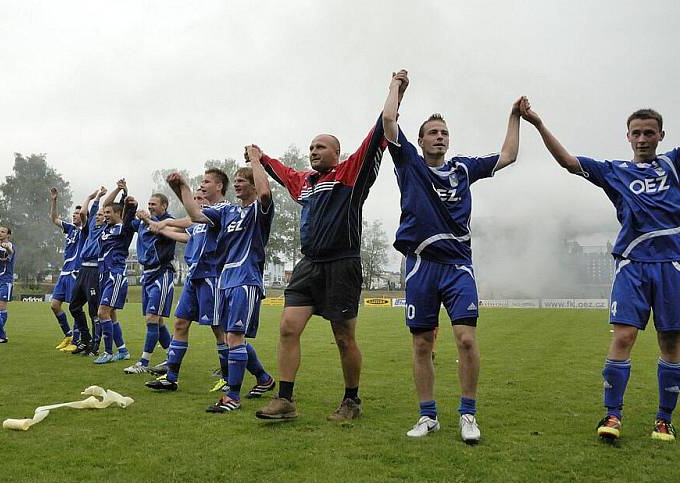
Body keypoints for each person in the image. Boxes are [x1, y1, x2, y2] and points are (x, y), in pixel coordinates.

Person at [520, 99, 680, 443]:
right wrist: (536, 122)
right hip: (632, 266)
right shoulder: (615, 171)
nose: (642, 138)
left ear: (661, 135)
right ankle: (612, 414)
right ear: (627, 136)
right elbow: (569, 162)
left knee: (670, 342)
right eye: (636, 133)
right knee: (623, 337)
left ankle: (664, 420)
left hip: (671, 266)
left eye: (649, 133)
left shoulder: (674, 164)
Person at [381, 69, 522, 444]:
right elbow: (389, 121)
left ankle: (468, 414)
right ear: (421, 140)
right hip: (421, 267)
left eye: (444, 132)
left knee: (466, 340)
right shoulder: (408, 164)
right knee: (422, 344)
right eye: (433, 132)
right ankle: (428, 416)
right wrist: (397, 84)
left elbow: (508, 155)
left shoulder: (463, 168)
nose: (440, 137)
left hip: (458, 266)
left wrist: (515, 116)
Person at [254, 102, 389, 422]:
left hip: (342, 264)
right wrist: (259, 156)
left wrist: (395, 89)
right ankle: (285, 400)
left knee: (343, 338)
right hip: (308, 265)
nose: (313, 151)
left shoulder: (351, 173)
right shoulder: (303, 182)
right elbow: (281, 171)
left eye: (321, 146)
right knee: (288, 328)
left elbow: (379, 130)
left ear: (337, 153)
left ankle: (351, 401)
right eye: (311, 147)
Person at [161, 154, 274, 413]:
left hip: (245, 279)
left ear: (254, 184)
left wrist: (256, 161)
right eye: (234, 180)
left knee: (233, 335)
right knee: (233, 337)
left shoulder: (260, 209)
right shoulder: (228, 211)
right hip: (225, 280)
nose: (237, 184)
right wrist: (185, 187)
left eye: (242, 180)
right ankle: (264, 379)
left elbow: (266, 192)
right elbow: (196, 214)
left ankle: (232, 397)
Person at [125, 171, 230, 390]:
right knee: (180, 323)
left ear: (219, 186)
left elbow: (186, 219)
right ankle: (171, 378)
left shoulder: (222, 210)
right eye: (198, 190)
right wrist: (161, 223)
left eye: (204, 186)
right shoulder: (199, 220)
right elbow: (182, 228)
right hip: (194, 276)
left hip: (211, 276)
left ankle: (229, 378)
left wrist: (164, 222)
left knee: (217, 328)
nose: (199, 193)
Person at [94, 179, 138, 364]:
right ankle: (123, 350)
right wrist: (117, 189)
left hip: (115, 274)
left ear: (119, 214)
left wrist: (125, 191)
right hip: (103, 274)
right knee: (110, 314)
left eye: (109, 213)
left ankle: (108, 352)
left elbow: (128, 208)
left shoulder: (124, 228)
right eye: (104, 214)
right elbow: (106, 204)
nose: (105, 216)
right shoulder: (106, 227)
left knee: (102, 312)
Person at [132, 193, 175, 369]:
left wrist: (148, 219)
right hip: (147, 274)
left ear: (164, 206)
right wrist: (130, 206)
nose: (150, 207)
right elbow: (128, 223)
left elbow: (162, 230)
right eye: (148, 203)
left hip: (162, 273)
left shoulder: (169, 220)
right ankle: (173, 357)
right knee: (157, 320)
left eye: (154, 204)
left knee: (152, 318)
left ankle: (143, 362)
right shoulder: (144, 222)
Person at [68, 186, 107, 356]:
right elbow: (85, 212)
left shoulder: (107, 230)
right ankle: (86, 339)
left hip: (94, 271)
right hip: (83, 270)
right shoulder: (91, 228)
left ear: (106, 219)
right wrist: (96, 196)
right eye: (97, 214)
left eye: (101, 215)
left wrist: (121, 193)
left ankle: (96, 346)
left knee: (94, 311)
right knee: (74, 306)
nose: (97, 216)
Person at [49, 188, 86, 351]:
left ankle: (77, 342)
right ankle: (69, 335)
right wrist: (54, 200)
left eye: (78, 214)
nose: (74, 215)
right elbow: (54, 218)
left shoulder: (85, 231)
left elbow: (85, 218)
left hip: (75, 273)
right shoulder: (70, 229)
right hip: (64, 272)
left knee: (75, 307)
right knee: (55, 305)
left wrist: (91, 199)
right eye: (74, 214)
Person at [0, 225, 15, 327]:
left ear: (8, 235)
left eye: (3, 232)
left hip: (5, 281)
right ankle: (0, 331)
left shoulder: (10, 246)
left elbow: (7, 257)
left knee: (2, 308)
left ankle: (0, 332)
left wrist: (6, 249)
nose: (0, 233)